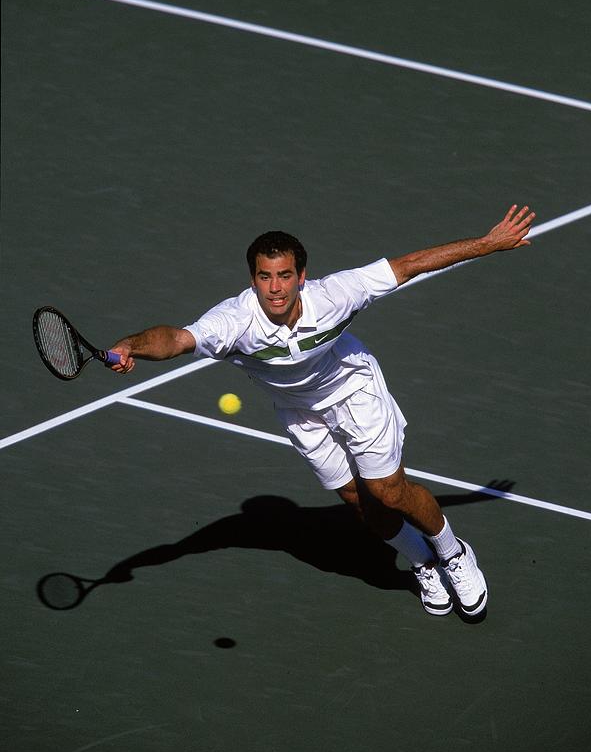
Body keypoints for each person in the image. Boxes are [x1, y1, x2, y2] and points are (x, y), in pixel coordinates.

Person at [109, 204, 535, 618]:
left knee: (388, 491)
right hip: (301, 414)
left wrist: (487, 243)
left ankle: (453, 552)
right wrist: (132, 345)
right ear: (252, 279)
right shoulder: (233, 321)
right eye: (265, 277)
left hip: (353, 392)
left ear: (301, 277)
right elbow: (177, 339)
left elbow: (410, 265)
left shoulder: (335, 295)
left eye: (284, 276)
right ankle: (422, 561)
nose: (275, 288)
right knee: (356, 499)